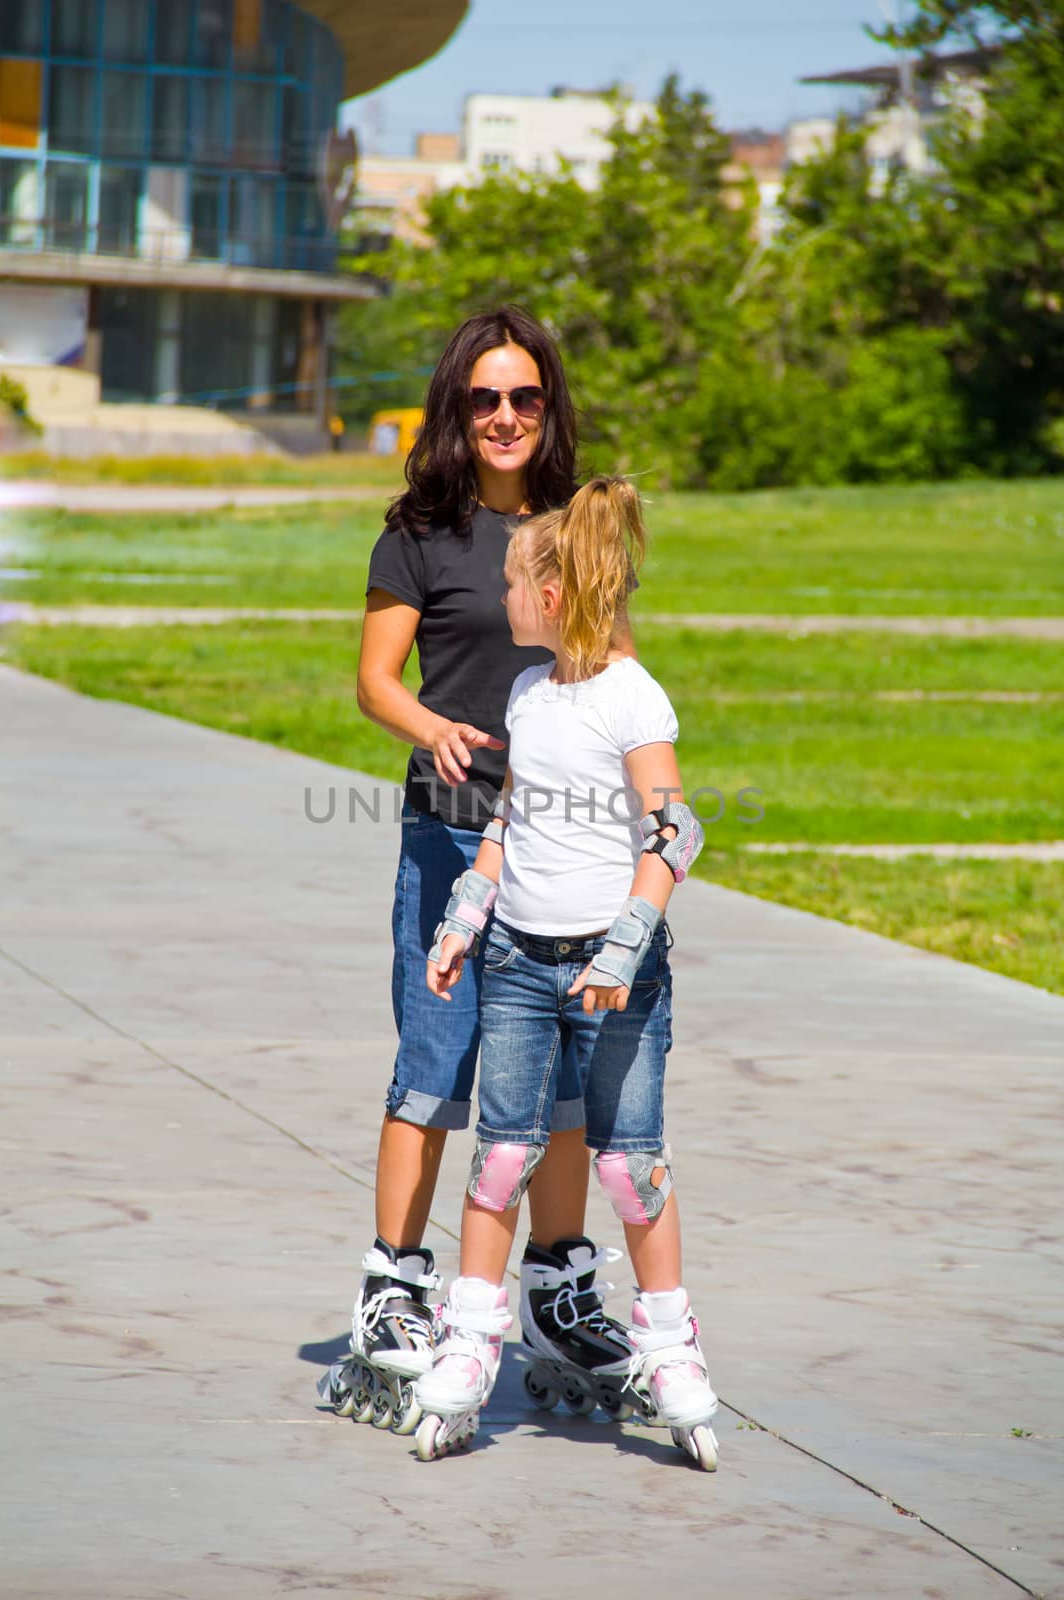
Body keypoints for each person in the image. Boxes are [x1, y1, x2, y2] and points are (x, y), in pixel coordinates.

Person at [318, 309, 635, 1433]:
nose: (504, 417)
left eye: (525, 398)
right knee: (433, 1061)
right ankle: (393, 1286)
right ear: (456, 408)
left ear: (548, 407)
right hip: (455, 839)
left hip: (565, 852)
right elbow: (374, 679)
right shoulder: (418, 531)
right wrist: (428, 727)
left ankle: (555, 1284)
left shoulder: (572, 530)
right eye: (483, 398)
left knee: (558, 1079)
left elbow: (613, 667)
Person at [413, 477, 719, 1471]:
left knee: (629, 1163)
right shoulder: (524, 693)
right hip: (513, 965)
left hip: (614, 973)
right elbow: (510, 821)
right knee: (500, 1154)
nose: (502, 600)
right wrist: (465, 917)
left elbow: (675, 831)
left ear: (557, 591)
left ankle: (669, 1347)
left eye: (512, 585)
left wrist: (623, 947)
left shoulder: (631, 695)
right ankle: (469, 1341)